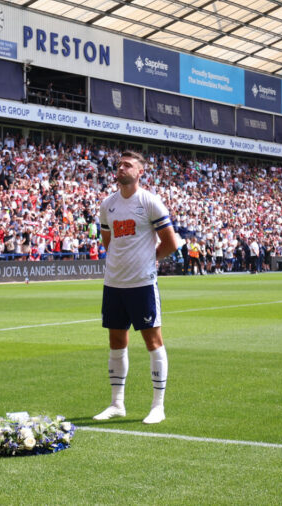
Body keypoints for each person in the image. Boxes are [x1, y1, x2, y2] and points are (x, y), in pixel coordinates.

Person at [93, 151, 179, 425]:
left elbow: (171, 242)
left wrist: (150, 260)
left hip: (142, 283)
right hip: (114, 283)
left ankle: (158, 406)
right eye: (119, 164)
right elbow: (109, 242)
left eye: (128, 165)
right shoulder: (108, 204)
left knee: (153, 342)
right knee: (116, 342)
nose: (121, 168)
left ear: (140, 172)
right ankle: (117, 404)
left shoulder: (150, 202)